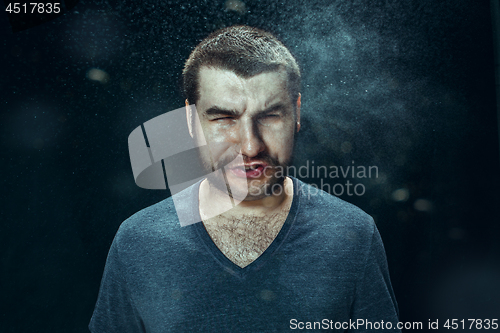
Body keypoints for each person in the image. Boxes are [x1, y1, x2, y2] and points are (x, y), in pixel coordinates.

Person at [89, 25, 400, 332]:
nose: (250, 145)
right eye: (224, 118)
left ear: (297, 113)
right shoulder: (138, 242)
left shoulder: (353, 236)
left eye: (269, 116)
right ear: (190, 121)